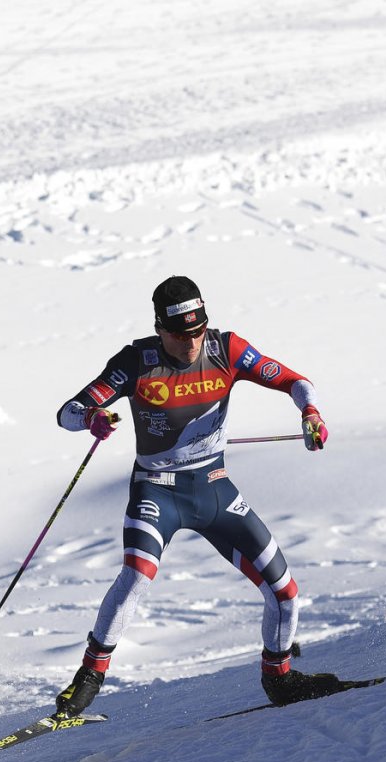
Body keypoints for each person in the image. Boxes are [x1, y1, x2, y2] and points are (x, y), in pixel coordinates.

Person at [51, 275, 339, 716]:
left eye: (198, 332)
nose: (191, 344)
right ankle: (88, 681)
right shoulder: (137, 361)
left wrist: (311, 413)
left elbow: (296, 381)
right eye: (181, 335)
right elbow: (66, 413)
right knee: (137, 575)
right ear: (160, 329)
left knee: (285, 592)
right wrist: (92, 417)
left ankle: (279, 680)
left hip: (213, 488)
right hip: (157, 489)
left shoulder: (227, 349)